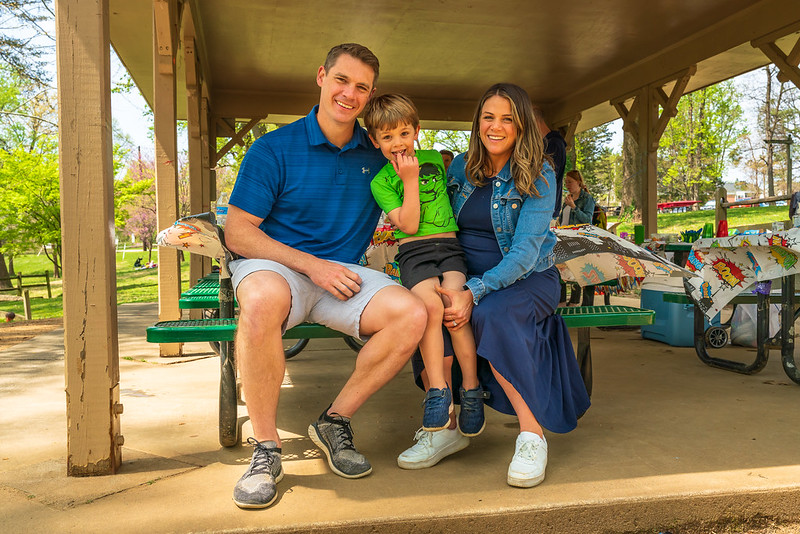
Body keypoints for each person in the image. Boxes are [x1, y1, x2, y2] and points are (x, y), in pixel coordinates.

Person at [224, 43, 426, 509]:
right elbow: (237, 232)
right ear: (321, 76)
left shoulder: (377, 151)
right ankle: (267, 449)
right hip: (279, 267)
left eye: (362, 87)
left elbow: (414, 213)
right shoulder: (274, 147)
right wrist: (312, 264)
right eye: (342, 80)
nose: (349, 93)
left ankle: (334, 421)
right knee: (259, 302)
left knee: (412, 313)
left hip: (344, 277)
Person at [400, 83, 590, 488]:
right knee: (430, 309)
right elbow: (436, 220)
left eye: (507, 118)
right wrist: (443, 280)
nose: (496, 126)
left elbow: (524, 252)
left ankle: (531, 434)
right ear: (477, 122)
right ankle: (447, 426)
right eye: (489, 117)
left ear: (521, 126)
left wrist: (476, 291)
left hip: (528, 278)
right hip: (461, 273)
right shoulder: (457, 169)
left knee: (491, 313)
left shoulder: (540, 174)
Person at [363, 94, 486, 440]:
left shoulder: (437, 159)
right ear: (375, 141)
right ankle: (437, 390)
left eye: (403, 133)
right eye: (387, 137)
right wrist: (410, 179)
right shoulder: (382, 182)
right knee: (430, 308)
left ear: (416, 131)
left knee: (453, 303)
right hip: (414, 252)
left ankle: (471, 390)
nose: (397, 143)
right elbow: (411, 224)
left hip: (450, 247)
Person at [532, 106, 567, 219]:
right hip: (543, 208)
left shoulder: (554, 144)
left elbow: (546, 178)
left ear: (535, 121)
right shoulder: (547, 144)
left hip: (546, 209)